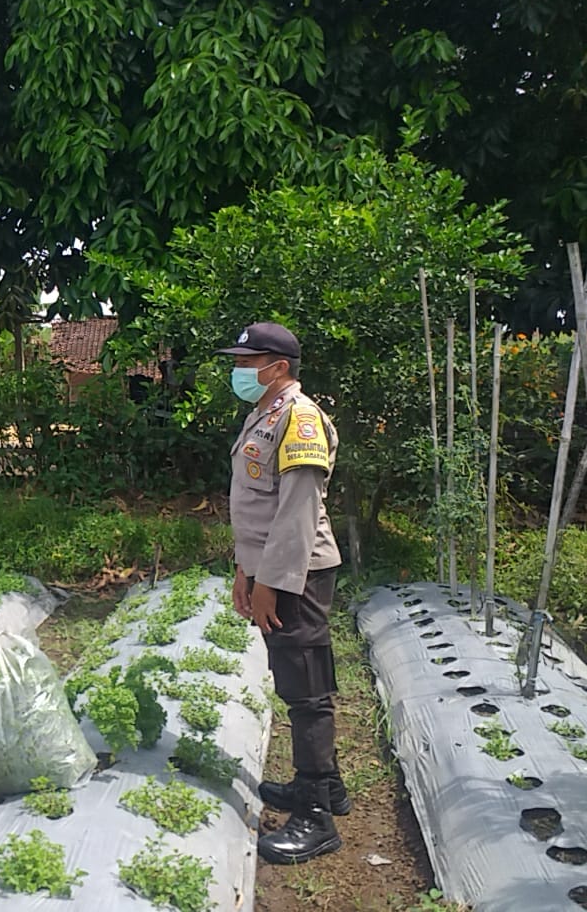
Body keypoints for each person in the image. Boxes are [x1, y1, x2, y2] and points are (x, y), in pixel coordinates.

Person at [217, 322, 346, 865]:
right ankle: (324, 785)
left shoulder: (301, 418)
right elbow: (256, 504)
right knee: (297, 679)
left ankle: (316, 815)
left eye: (249, 362)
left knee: (306, 687)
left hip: (297, 574)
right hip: (272, 570)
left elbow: (295, 515)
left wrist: (270, 583)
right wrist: (247, 571)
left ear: (278, 366)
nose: (240, 371)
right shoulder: (265, 413)